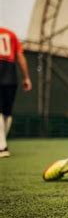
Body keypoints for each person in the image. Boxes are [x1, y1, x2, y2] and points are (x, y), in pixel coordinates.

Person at [0, 27, 32, 158]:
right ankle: (2, 143)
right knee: (7, 112)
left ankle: (2, 146)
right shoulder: (11, 33)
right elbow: (20, 56)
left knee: (1, 111)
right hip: (10, 73)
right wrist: (26, 77)